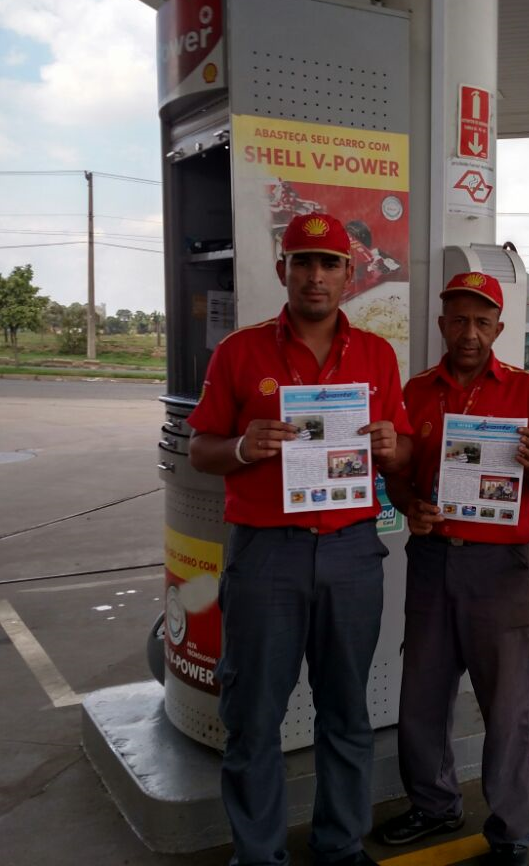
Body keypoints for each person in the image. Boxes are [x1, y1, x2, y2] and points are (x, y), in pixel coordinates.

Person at [188, 211, 413, 866]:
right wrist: (242, 446)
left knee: (346, 712)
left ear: (349, 273)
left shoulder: (377, 355)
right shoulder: (240, 352)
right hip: (266, 555)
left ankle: (340, 846)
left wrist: (392, 447)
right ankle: (258, 856)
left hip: (351, 551)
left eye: (329, 264)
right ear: (282, 269)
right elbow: (200, 448)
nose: (316, 276)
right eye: (303, 262)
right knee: (254, 717)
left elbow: (401, 452)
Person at [377, 272, 529, 865]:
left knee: (508, 706)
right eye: (459, 320)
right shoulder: (415, 391)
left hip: (500, 568)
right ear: (442, 324)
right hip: (432, 560)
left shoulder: (527, 392)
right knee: (422, 696)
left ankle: (511, 831)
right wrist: (411, 506)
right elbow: (397, 475)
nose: (469, 333)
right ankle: (434, 805)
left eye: (482, 322)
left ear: (499, 329)